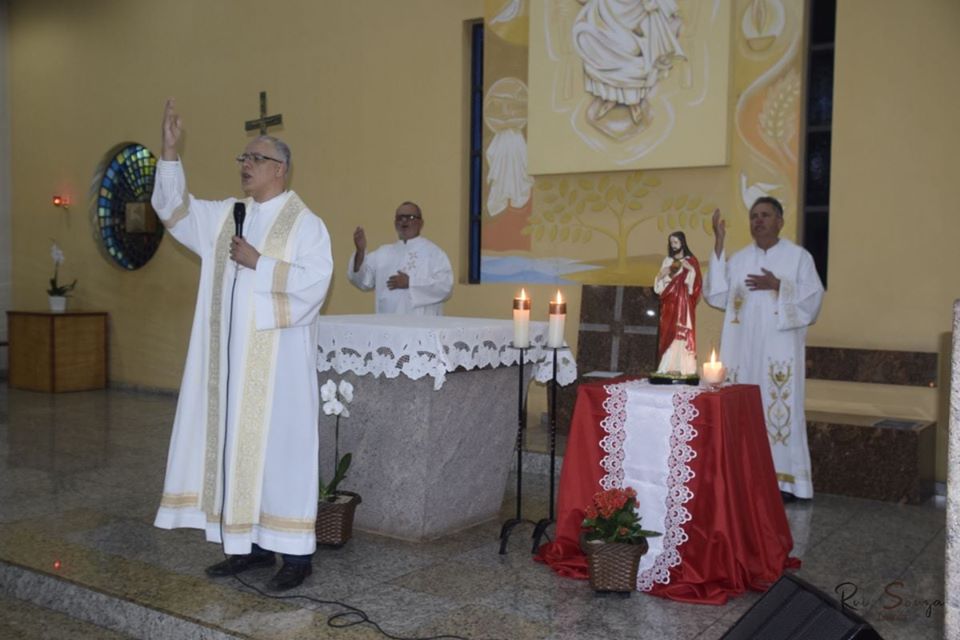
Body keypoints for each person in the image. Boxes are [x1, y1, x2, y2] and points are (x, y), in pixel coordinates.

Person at [151, 98, 333, 591]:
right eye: (242, 159)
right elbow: (173, 209)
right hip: (230, 369)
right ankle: (246, 545)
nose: (245, 167)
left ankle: (296, 556)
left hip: (279, 372)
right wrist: (169, 153)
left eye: (254, 159)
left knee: (282, 456)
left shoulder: (306, 224)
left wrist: (260, 263)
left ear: (280, 169)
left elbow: (315, 285)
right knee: (236, 451)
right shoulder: (226, 216)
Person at [703, 197, 824, 500]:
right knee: (744, 407)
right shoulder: (740, 259)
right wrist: (719, 244)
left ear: (780, 221)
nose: (759, 220)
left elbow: (813, 301)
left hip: (779, 350)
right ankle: (743, 476)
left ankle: (784, 482)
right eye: (754, 216)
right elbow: (716, 294)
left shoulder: (798, 258)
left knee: (780, 409)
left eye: (766, 215)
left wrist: (779, 285)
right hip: (743, 349)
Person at [348, 202, 453, 315]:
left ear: (421, 223)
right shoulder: (383, 253)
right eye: (400, 218)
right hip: (388, 324)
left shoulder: (434, 253)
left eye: (410, 217)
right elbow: (363, 281)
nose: (404, 221)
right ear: (395, 223)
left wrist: (410, 283)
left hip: (421, 326)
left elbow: (445, 287)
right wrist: (360, 252)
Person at [653, 231, 701, 376]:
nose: (673, 245)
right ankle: (667, 366)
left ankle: (685, 368)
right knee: (669, 333)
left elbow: (696, 285)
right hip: (670, 303)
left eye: (676, 242)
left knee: (683, 334)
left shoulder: (691, 261)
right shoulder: (668, 261)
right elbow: (660, 285)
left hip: (684, 304)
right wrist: (662, 275)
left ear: (682, 242)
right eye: (671, 243)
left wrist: (691, 270)